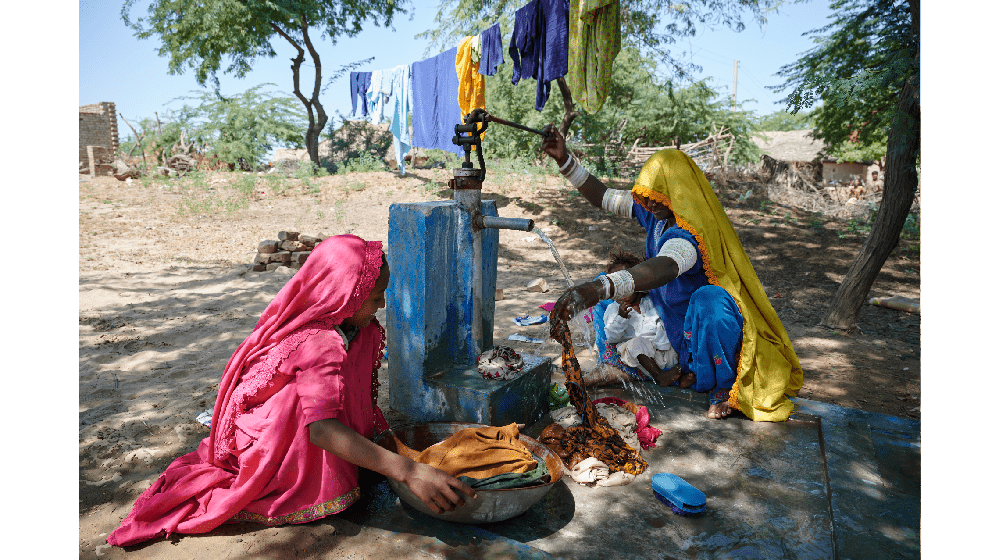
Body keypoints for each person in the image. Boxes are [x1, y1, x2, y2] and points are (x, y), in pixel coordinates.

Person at [107, 235, 476, 547]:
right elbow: (322, 429)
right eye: (375, 295)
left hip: (308, 426)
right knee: (306, 409)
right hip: (281, 442)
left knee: (325, 408)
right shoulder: (320, 342)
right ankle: (309, 483)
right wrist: (407, 470)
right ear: (345, 294)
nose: (381, 304)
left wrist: (387, 443)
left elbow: (361, 394)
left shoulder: (364, 331)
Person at [541, 126, 803, 421]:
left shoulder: (691, 230)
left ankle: (723, 387)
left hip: (697, 330)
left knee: (710, 300)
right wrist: (564, 160)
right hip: (666, 320)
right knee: (610, 305)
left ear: (679, 195)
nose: (650, 203)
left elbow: (666, 265)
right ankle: (620, 367)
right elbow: (603, 196)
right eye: (647, 195)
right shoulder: (652, 211)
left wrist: (598, 287)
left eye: (658, 196)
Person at [589, 248, 695, 389]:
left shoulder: (652, 300)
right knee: (635, 344)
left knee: (689, 340)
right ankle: (660, 376)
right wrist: (621, 317)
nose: (620, 292)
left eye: (624, 286)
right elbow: (612, 337)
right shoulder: (613, 309)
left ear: (639, 284)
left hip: (668, 354)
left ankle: (682, 375)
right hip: (645, 362)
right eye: (615, 288)